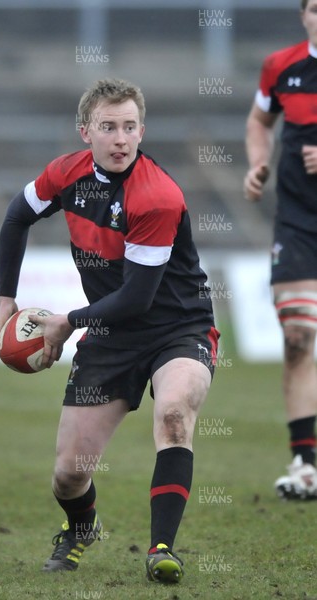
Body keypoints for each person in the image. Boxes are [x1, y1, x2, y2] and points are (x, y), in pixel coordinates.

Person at [0, 78, 219, 583]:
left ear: (142, 131)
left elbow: (137, 299)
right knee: (70, 475)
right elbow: (15, 217)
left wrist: (66, 323)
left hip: (177, 329)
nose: (120, 138)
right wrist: (5, 299)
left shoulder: (157, 196)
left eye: (129, 127)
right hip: (112, 335)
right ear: (85, 132)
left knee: (175, 415)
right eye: (108, 127)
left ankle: (161, 548)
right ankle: (82, 527)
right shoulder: (65, 174)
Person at [244, 0, 317, 500]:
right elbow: (258, 121)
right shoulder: (281, 67)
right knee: (297, 335)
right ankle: (305, 463)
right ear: (303, 14)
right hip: (298, 222)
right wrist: (257, 163)